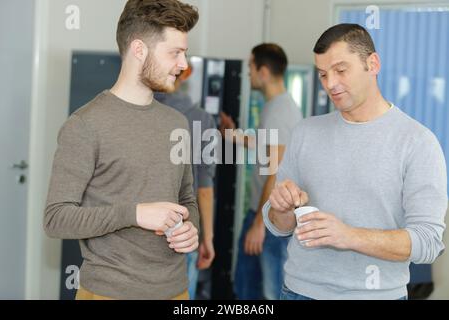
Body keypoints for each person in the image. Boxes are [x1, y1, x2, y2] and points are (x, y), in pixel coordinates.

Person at [263, 23, 448, 300]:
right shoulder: (305, 131)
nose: (330, 84)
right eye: (323, 74)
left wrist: (348, 236)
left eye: (340, 70)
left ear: (372, 64)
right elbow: (278, 224)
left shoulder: (418, 142)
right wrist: (281, 208)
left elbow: (428, 242)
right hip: (297, 292)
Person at [44, 0, 201, 300]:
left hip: (177, 291)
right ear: (139, 50)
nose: (183, 64)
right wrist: (135, 214)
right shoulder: (84, 125)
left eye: (185, 53)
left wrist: (190, 228)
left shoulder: (178, 124)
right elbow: (56, 218)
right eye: (175, 53)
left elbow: (187, 200)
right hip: (109, 292)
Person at [220, 44, 303, 300]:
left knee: (269, 291)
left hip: (270, 217)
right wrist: (234, 136)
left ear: (263, 71)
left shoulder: (279, 110)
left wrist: (259, 225)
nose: (248, 74)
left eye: (250, 68)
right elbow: (268, 145)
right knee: (248, 285)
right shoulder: (276, 107)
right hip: (264, 214)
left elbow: (276, 171)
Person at [155, 66, 216, 299]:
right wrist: (206, 238)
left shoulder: (136, 112)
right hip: (182, 232)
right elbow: (204, 188)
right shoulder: (203, 119)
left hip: (136, 235)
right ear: (186, 74)